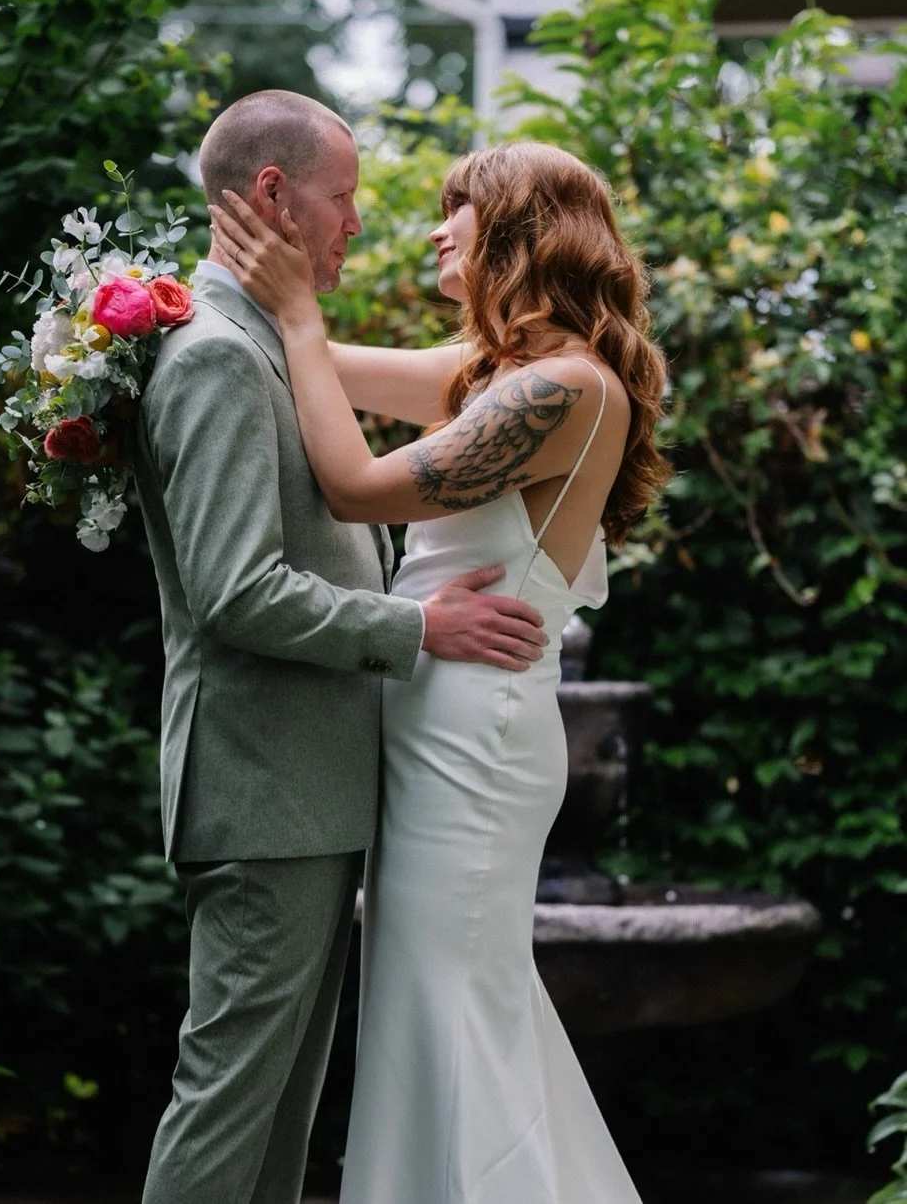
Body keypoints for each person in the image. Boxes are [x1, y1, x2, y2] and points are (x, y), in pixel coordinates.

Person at [208, 137, 672, 1204]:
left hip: (477, 732)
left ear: (517, 226)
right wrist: (163, 315)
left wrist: (299, 310)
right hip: (436, 712)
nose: (432, 229)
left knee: (450, 1003)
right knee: (437, 1002)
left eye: (456, 209)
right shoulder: (496, 375)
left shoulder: (564, 388)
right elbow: (315, 368)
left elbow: (360, 486)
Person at [133, 92, 551, 1204]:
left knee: (278, 1115)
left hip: (304, 791)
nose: (358, 224)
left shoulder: (263, 342)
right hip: (266, 790)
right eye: (345, 199)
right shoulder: (219, 356)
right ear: (272, 196)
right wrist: (418, 626)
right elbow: (236, 593)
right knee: (229, 1104)